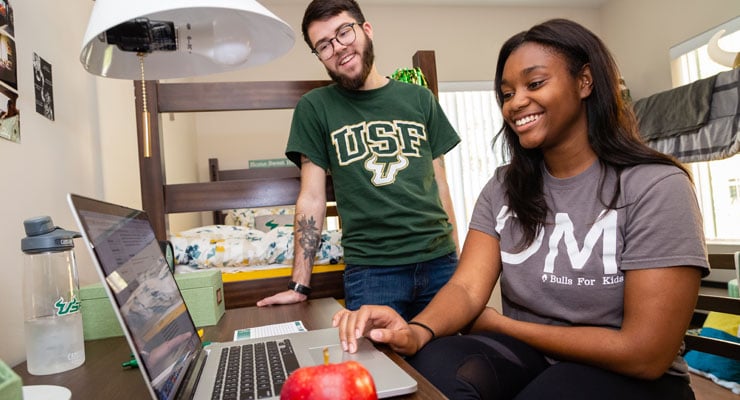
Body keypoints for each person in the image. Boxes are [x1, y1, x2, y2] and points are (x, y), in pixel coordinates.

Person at [334, 18, 709, 399]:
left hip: (635, 375)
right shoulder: (502, 187)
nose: (516, 103)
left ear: (585, 81)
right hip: (531, 358)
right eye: (507, 93)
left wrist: (502, 326)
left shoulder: (656, 186)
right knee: (431, 369)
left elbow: (645, 354)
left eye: (534, 84)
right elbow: (465, 287)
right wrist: (416, 331)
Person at [256, 0, 461, 321]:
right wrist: (299, 284)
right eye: (324, 45)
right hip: (373, 273)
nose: (337, 48)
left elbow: (440, 183)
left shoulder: (419, 98)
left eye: (343, 33)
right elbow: (311, 197)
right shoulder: (314, 108)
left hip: (440, 263)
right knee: (376, 369)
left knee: (449, 364)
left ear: (366, 30)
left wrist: (458, 265)